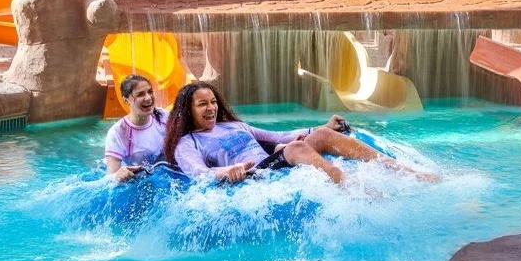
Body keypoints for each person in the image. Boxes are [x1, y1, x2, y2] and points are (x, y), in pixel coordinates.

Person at [162, 81, 429, 184]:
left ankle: (405, 171)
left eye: (213, 102)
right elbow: (196, 172)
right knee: (296, 149)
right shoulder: (187, 142)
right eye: (202, 104)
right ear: (188, 110)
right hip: (256, 173)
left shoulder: (234, 125)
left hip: (276, 162)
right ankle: (350, 188)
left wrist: (320, 128)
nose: (211, 108)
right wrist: (224, 171)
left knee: (320, 138)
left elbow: (278, 136)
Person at [104, 75, 167, 183]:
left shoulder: (163, 116)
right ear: (126, 100)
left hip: (163, 175)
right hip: (137, 183)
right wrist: (118, 176)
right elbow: (110, 176)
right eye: (140, 94)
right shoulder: (118, 133)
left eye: (150, 92)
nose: (148, 98)